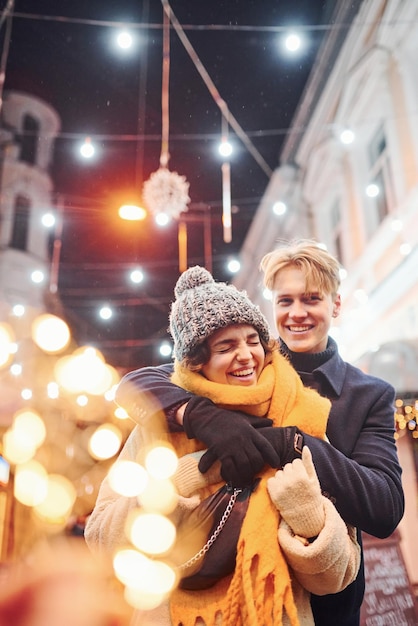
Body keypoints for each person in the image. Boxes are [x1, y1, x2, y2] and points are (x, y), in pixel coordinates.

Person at [115, 241, 404, 626]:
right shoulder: (244, 364)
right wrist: (201, 414)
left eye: (311, 299)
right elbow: (137, 382)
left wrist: (295, 444)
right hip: (225, 598)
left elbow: (384, 507)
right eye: (285, 301)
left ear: (335, 305)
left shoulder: (368, 395)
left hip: (325, 607)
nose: (297, 313)